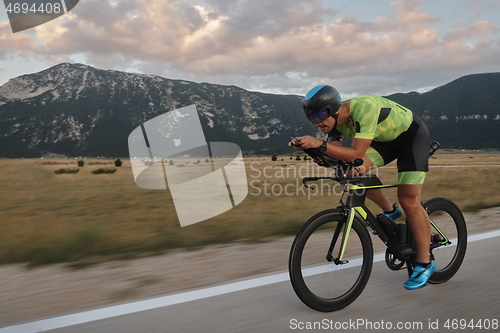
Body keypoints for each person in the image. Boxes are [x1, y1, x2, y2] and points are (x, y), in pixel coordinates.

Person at [288, 85, 435, 290]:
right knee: (352, 171)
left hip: (411, 139)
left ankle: (424, 262)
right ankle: (390, 211)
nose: (318, 122)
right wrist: (310, 148)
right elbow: (336, 152)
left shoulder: (364, 108)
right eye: (313, 119)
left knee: (409, 199)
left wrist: (319, 144)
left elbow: (356, 153)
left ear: (335, 109)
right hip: (386, 142)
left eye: (320, 115)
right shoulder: (334, 125)